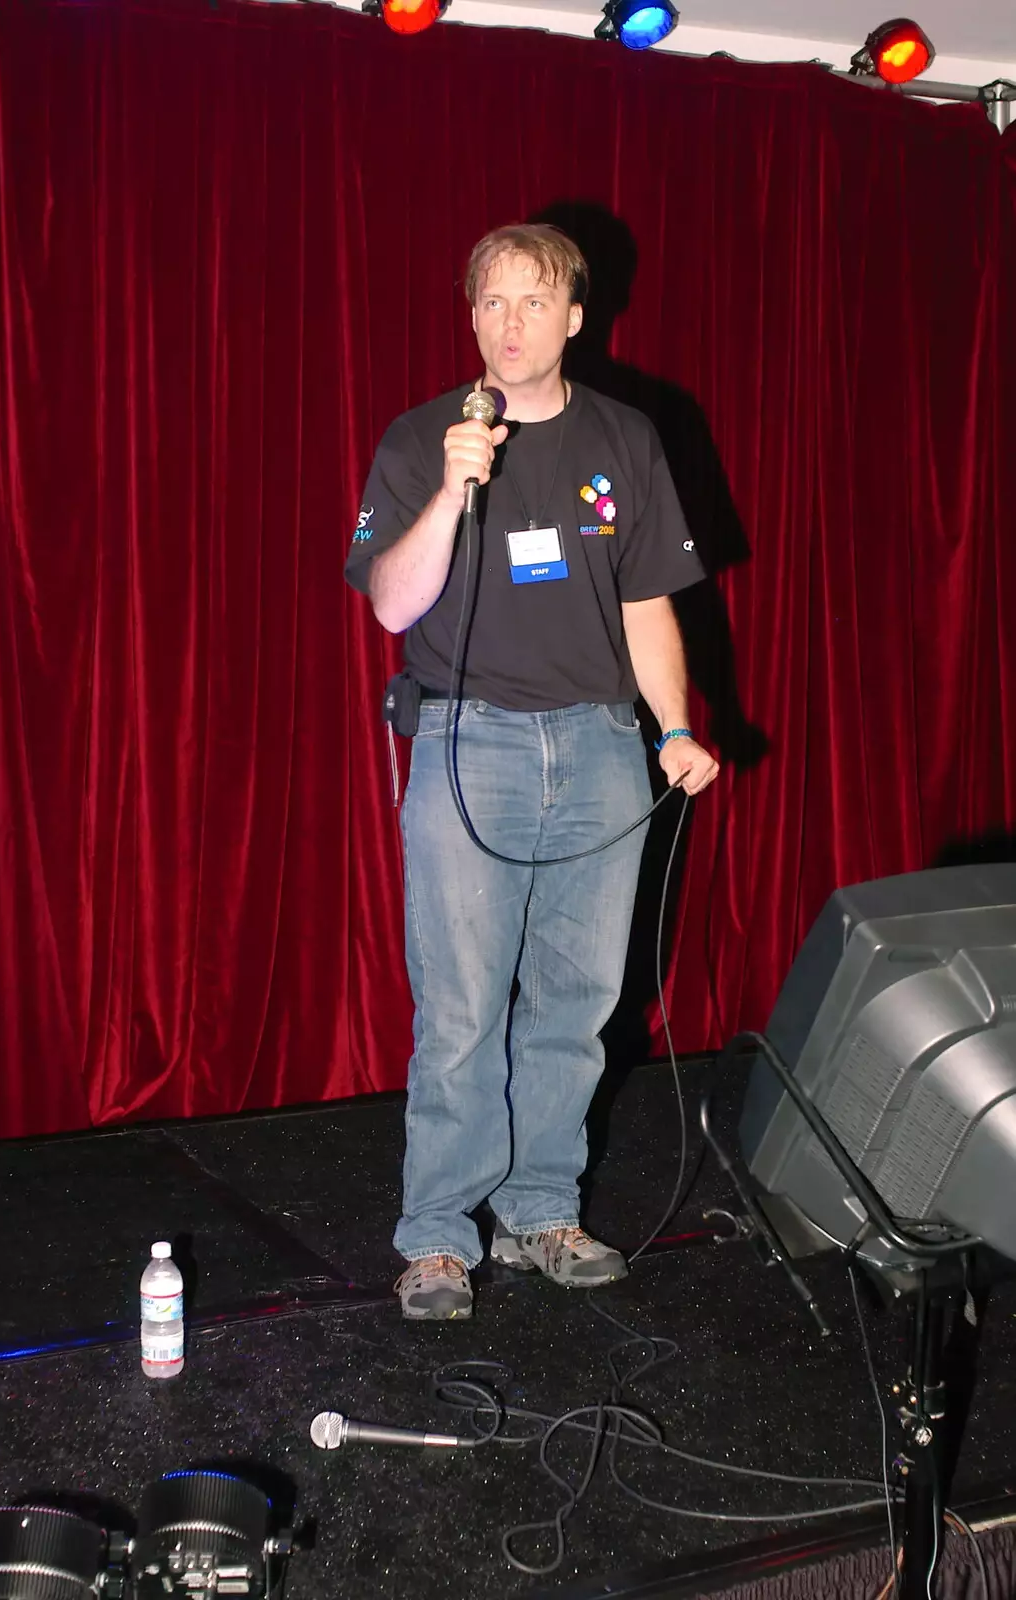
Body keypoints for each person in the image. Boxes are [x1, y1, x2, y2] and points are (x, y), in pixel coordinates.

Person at [345, 223, 719, 1320]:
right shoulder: (424, 440)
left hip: (602, 747)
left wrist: (672, 727)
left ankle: (541, 1210)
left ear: (572, 318)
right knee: (462, 1005)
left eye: (531, 301)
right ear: (471, 319)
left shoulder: (625, 437)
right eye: (489, 303)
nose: (509, 323)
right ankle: (436, 1239)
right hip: (474, 743)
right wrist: (454, 493)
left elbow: (646, 598)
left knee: (576, 1000)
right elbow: (391, 603)